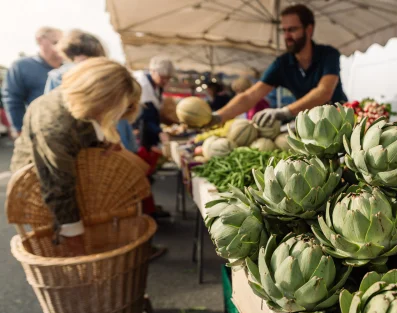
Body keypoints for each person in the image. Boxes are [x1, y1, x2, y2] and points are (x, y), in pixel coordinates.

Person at [10, 58, 141, 255]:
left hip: (65, 179)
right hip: (39, 188)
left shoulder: (78, 101)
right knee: (66, 249)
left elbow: (86, 124)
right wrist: (76, 243)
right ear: (100, 100)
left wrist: (102, 140)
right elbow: (57, 188)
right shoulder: (54, 127)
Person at [206, 4, 347, 128]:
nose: (286, 36)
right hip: (311, 125)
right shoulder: (282, 63)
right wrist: (218, 117)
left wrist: (285, 111)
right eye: (284, 30)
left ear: (309, 29)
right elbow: (250, 96)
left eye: (292, 29)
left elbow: (324, 92)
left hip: (341, 121)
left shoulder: (328, 55)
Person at [43, 29, 137, 153]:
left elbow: (48, 114)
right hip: (104, 147)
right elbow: (119, 118)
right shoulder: (107, 76)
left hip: (70, 146)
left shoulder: (57, 76)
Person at [133, 56, 174, 220]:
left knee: (148, 174)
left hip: (147, 135)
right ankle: (145, 212)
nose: (165, 81)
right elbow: (145, 118)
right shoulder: (143, 84)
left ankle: (148, 208)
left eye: (168, 78)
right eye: (163, 77)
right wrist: (160, 132)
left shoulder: (155, 86)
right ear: (152, 71)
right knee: (143, 173)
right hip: (140, 136)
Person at [2, 27, 63, 134]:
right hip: (38, 132)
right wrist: (19, 129)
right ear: (40, 40)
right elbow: (13, 99)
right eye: (55, 42)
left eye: (63, 43)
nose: (60, 47)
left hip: (72, 134)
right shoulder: (21, 66)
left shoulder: (71, 67)